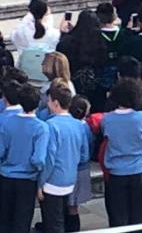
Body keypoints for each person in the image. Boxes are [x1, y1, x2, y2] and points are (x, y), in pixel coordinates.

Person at [0, 82, 48, 233]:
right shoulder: (41, 127)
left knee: (5, 219)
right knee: (22, 221)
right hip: (28, 179)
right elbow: (39, 159)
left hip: (6, 176)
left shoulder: (7, 122)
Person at [101, 80, 142, 226]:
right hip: (138, 170)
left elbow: (105, 134)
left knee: (118, 216)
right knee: (138, 215)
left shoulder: (107, 118)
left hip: (116, 172)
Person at [39, 83, 90, 233]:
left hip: (52, 181)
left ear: (55, 103)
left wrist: (40, 183)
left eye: (48, 101)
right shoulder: (79, 125)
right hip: (70, 178)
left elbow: (49, 159)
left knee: (54, 223)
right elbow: (84, 155)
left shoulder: (50, 125)